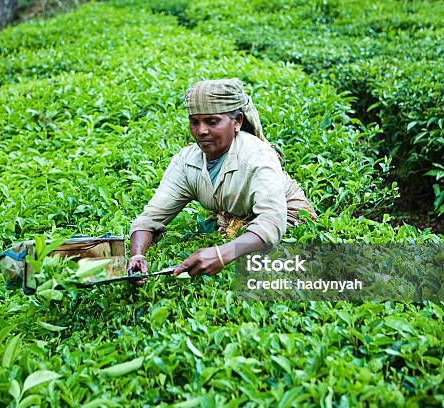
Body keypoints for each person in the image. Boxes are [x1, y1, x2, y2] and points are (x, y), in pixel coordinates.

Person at [127, 78, 315, 282]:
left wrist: (220, 254)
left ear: (237, 122)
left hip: (289, 218)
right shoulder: (186, 161)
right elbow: (151, 218)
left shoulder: (258, 157)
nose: (201, 131)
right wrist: (138, 255)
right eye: (194, 122)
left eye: (212, 121)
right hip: (233, 218)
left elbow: (271, 224)